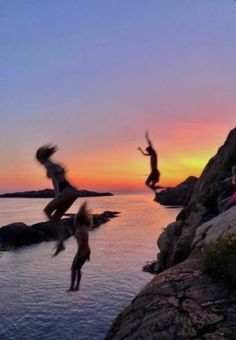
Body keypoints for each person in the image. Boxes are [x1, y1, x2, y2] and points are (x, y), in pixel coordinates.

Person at [36, 144, 78, 256]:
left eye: (38, 159)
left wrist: (57, 194)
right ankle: (61, 243)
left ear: (42, 157)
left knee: (47, 211)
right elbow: (60, 176)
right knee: (56, 217)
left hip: (66, 191)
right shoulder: (55, 164)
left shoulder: (48, 164)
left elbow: (55, 180)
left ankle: (59, 237)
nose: (38, 162)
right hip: (73, 192)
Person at [68, 201, 92, 292]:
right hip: (87, 251)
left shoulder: (78, 231)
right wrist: (88, 255)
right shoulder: (85, 228)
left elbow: (81, 245)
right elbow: (86, 242)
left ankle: (72, 287)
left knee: (73, 268)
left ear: (76, 220)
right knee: (78, 269)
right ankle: (77, 286)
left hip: (81, 252)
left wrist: (78, 255)